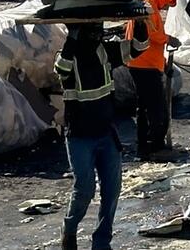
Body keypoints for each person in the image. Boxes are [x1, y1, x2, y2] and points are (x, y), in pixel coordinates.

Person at [55, 21, 148, 250]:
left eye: (99, 29)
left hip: (106, 133)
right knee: (84, 190)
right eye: (91, 30)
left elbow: (139, 46)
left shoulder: (106, 51)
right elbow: (61, 69)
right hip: (79, 136)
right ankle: (69, 228)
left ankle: (102, 243)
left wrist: (139, 20)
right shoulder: (68, 55)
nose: (97, 34)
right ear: (78, 32)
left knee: (112, 190)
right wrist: (71, 40)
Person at [125, 0, 182, 161]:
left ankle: (145, 146)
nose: (167, 6)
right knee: (155, 107)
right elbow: (152, 34)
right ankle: (154, 146)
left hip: (144, 62)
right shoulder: (148, 5)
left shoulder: (148, 4)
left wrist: (163, 61)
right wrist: (168, 39)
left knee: (145, 107)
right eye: (169, 1)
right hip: (145, 64)